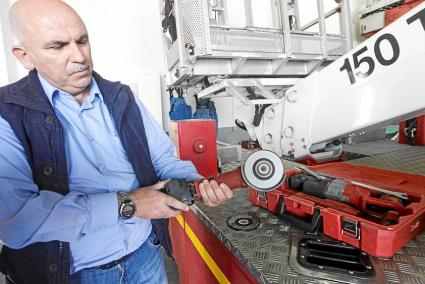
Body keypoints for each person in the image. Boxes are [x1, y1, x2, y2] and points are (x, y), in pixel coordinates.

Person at [0, 0, 233, 283]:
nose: (79, 56)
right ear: (24, 56)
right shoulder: (8, 112)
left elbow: (162, 159)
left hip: (144, 256)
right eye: (57, 46)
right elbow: (16, 219)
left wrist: (197, 184)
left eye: (82, 40)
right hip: (73, 274)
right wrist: (129, 204)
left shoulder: (121, 97)